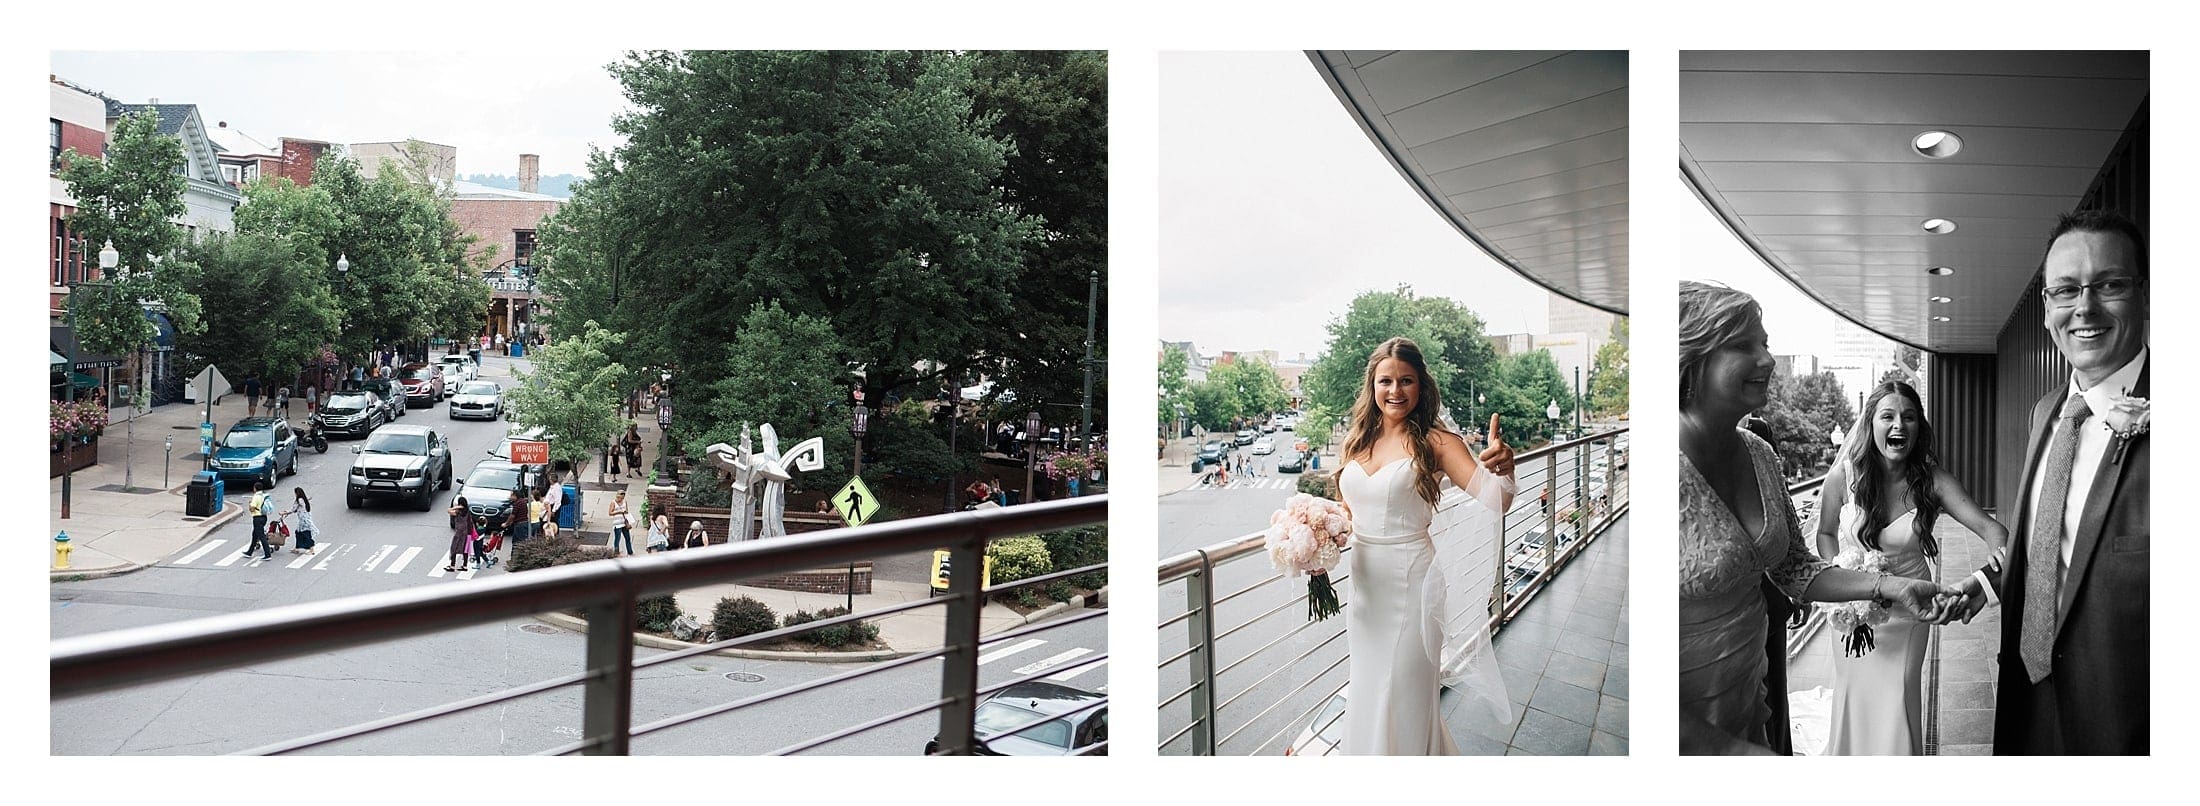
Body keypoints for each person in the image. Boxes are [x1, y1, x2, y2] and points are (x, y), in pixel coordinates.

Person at [1677, 282, 1958, 755]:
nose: (1767, 359)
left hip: (1750, 697)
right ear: (1692, 357)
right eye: (1745, 345)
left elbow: (1794, 568)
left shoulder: (1761, 456)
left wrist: (1890, 586)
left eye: (1765, 343)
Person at [1944, 210, 2149, 755]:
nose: (2085, 307)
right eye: (2065, 290)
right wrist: (1989, 582)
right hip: (2026, 703)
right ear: (2045, 309)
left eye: (2109, 284)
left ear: (2144, 294)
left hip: (2126, 728)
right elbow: (2048, 541)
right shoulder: (2046, 412)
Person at [1333, 337, 1517, 755]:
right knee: (1367, 686)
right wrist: (1318, 537)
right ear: (1372, 386)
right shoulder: (1357, 440)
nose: (1395, 391)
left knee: (1401, 693)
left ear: (1421, 386)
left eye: (1406, 381)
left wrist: (1504, 468)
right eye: (1386, 381)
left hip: (1411, 583)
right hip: (1365, 589)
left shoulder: (1437, 442)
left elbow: (1496, 499)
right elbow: (1350, 512)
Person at [1814, 380, 2006, 755]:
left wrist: (1994, 569)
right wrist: (1836, 579)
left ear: (1919, 428)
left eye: (1909, 417)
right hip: (1851, 610)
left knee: (1898, 697)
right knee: (1853, 693)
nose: (1898, 425)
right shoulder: (1843, 478)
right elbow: (1824, 533)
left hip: (1909, 612)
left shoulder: (1932, 481)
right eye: (1887, 416)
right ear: (1870, 424)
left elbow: (1992, 528)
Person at [240, 481, 274, 560]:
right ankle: (249, 552)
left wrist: (250, 504)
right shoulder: (263, 495)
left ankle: (267, 554)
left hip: (257, 518)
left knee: (261, 536)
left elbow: (252, 508)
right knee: (255, 535)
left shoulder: (256, 497)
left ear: (255, 488)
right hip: (263, 517)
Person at [282, 487, 318, 555]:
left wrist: (284, 513)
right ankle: (297, 548)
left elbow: (293, 509)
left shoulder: (299, 500)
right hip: (307, 519)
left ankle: (311, 548)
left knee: (306, 533)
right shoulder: (304, 500)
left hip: (303, 521)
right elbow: (297, 509)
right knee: (298, 533)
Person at [445, 497, 475, 573]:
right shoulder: (468, 511)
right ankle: (464, 565)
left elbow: (448, 511)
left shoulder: (458, 511)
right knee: (465, 549)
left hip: (459, 533)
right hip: (467, 533)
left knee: (454, 548)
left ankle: (452, 565)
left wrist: (457, 507)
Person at [607, 491, 634, 556]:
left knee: (627, 538)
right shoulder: (613, 502)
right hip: (617, 524)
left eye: (622, 498)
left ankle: (630, 551)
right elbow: (610, 513)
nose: (620, 499)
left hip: (624, 522)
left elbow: (627, 511)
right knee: (617, 538)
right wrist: (618, 512)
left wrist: (625, 512)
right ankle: (616, 552)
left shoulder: (625, 502)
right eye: (619, 498)